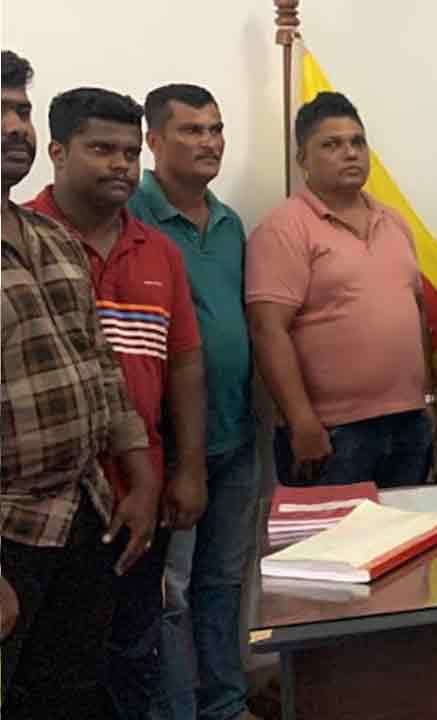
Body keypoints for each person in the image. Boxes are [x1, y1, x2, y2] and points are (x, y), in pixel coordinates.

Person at [1, 50, 159, 719]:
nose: (16, 126)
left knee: (70, 695)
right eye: (1, 111)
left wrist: (142, 482)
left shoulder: (53, 240)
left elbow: (100, 367)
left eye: (22, 110)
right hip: (9, 527)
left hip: (81, 512)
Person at [128, 83, 260, 720]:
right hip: (169, 448)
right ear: (154, 141)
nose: (210, 142)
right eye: (192, 130)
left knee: (225, 584)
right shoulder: (130, 217)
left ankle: (227, 706)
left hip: (234, 437)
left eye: (216, 129)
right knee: (170, 594)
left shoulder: (230, 223)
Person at [247, 91, 435, 487]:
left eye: (357, 142)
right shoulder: (284, 228)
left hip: (408, 423)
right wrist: (301, 422)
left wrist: (427, 401)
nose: (350, 153)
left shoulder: (394, 222)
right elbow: (267, 330)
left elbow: (416, 311)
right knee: (336, 531)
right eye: (331, 145)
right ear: (303, 160)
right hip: (332, 433)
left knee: (409, 528)